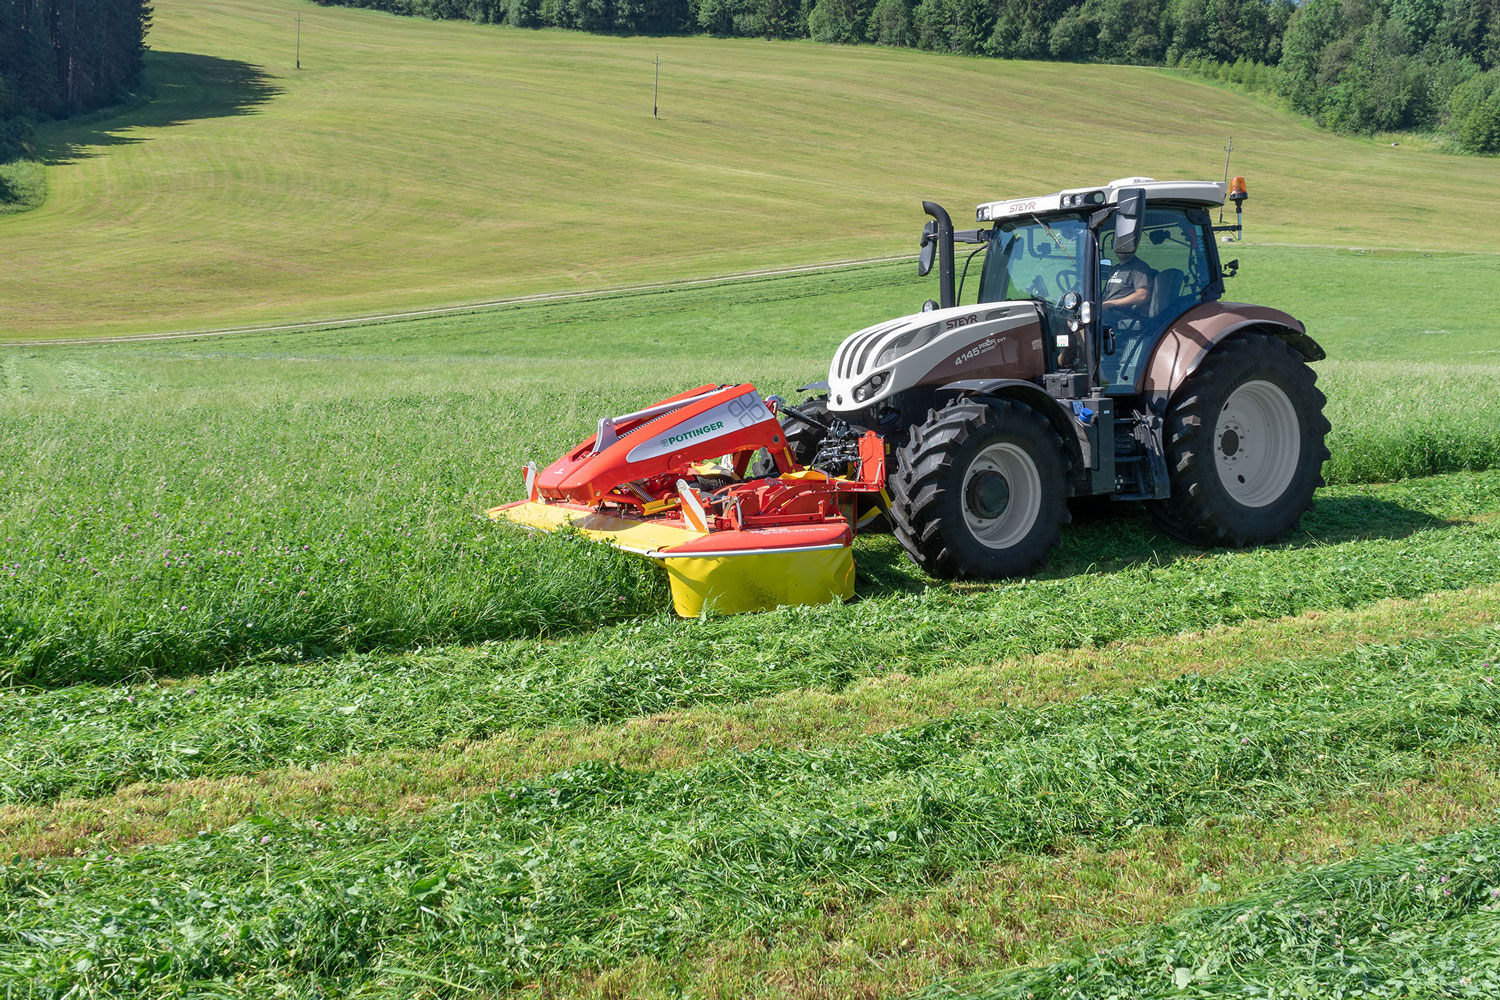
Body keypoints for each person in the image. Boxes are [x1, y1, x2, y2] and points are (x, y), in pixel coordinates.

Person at [1100, 246, 1153, 329]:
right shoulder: (1115, 269)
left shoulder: (1139, 267)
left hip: (1124, 314)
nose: (1122, 248)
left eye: (1125, 245)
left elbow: (1142, 295)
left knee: (1092, 319)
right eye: (1119, 244)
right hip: (1108, 311)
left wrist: (1111, 304)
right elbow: (1108, 295)